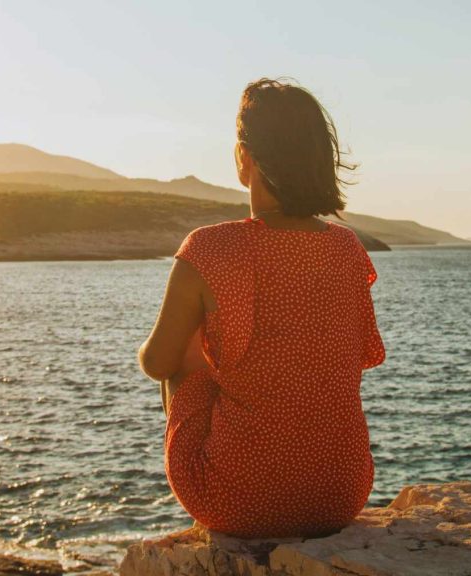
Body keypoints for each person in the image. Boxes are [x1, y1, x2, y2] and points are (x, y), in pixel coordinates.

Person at [138, 78, 385, 539]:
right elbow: (348, 360)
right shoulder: (348, 249)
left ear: (243, 158)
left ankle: (214, 507)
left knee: (187, 360)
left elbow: (158, 364)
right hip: (341, 496)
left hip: (236, 501)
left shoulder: (210, 248)